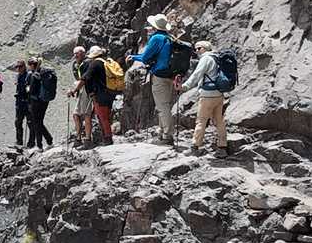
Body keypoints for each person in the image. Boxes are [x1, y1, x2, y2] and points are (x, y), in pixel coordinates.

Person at [128, 13, 195, 143]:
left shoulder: (157, 38)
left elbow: (146, 57)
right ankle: (162, 131)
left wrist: (134, 57)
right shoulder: (170, 37)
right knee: (164, 105)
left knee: (162, 106)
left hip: (160, 75)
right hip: (171, 75)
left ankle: (167, 135)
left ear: (154, 26)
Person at [183, 40, 229, 154]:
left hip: (207, 95)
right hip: (219, 93)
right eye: (196, 49)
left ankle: (195, 146)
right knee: (219, 120)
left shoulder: (206, 59)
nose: (196, 51)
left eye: (199, 48)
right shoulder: (217, 57)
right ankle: (223, 146)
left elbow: (197, 74)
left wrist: (185, 86)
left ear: (205, 48)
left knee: (201, 121)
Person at [72, 46, 118, 146]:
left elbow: (85, 78)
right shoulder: (106, 62)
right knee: (106, 115)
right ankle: (107, 137)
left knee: (102, 116)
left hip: (100, 93)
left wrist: (75, 90)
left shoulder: (95, 63)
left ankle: (108, 139)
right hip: (109, 92)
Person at [25, 56, 56, 149]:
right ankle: (49, 140)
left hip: (35, 102)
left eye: (29, 65)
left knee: (36, 123)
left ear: (31, 65)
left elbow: (31, 90)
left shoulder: (33, 75)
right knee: (39, 122)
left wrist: (27, 89)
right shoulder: (43, 73)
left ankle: (40, 146)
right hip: (44, 101)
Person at [67, 45, 90, 143]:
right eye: (75, 54)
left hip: (87, 90)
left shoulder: (87, 64)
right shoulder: (76, 65)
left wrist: (74, 90)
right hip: (80, 90)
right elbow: (78, 79)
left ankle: (87, 138)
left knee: (86, 114)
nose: (75, 56)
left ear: (83, 53)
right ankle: (78, 137)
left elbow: (83, 80)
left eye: (77, 53)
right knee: (76, 115)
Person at [11, 58, 33, 148]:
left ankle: (31, 143)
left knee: (30, 123)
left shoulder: (29, 75)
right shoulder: (18, 76)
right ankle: (19, 142)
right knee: (17, 122)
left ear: (24, 66)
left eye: (20, 66)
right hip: (19, 103)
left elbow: (30, 89)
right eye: (17, 67)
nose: (18, 68)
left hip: (27, 103)